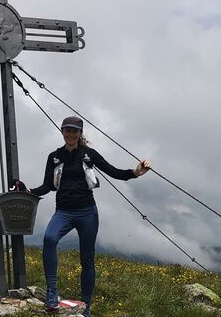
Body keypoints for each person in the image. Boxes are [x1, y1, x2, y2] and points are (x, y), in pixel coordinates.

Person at [26, 116, 151, 316]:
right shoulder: (54, 156)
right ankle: (51, 293)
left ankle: (85, 306)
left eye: (75, 131)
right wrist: (29, 191)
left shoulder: (88, 154)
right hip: (63, 212)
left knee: (87, 260)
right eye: (67, 130)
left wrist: (135, 172)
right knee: (49, 239)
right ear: (62, 131)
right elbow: (48, 185)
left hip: (87, 213)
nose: (70, 134)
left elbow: (113, 172)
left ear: (80, 134)